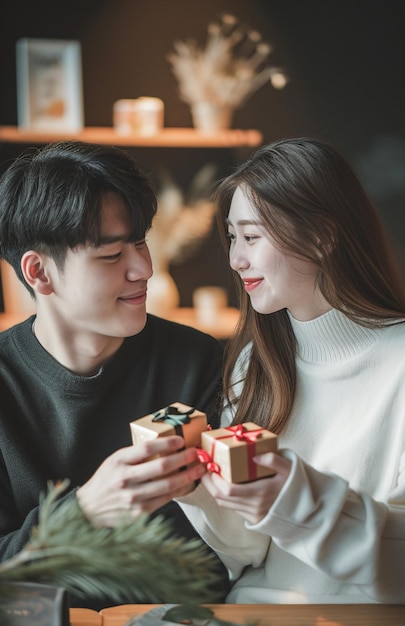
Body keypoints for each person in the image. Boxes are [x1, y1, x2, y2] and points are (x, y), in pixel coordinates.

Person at [178, 137, 405, 604]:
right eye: (231, 237)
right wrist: (198, 490)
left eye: (251, 237)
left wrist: (295, 500)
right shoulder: (255, 364)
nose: (235, 260)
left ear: (322, 237)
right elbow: (247, 551)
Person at [0, 140, 229, 608]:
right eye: (110, 256)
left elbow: (209, 561)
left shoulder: (197, 361)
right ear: (39, 273)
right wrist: (83, 513)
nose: (143, 268)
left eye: (141, 241)